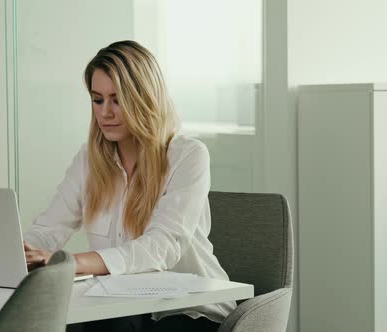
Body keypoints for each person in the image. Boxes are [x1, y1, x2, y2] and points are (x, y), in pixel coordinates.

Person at [23, 40, 236, 332]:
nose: (105, 113)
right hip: (118, 308)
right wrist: (22, 254)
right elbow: (49, 229)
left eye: (117, 100)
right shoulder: (88, 160)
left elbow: (161, 247)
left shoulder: (188, 155)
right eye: (98, 100)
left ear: (144, 98)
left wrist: (70, 262)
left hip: (189, 309)